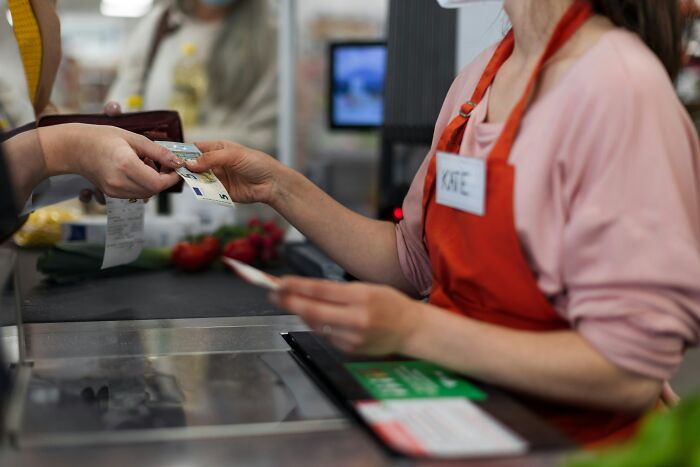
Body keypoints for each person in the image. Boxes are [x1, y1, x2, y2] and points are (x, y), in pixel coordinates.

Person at [185, 0, 700, 446]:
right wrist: (278, 186)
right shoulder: (479, 81)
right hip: (468, 421)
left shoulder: (619, 87)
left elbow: (627, 372)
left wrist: (414, 329)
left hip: (573, 447)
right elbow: (412, 261)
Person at [108, 0, 277, 153]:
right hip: (150, 172)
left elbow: (265, 137)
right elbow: (124, 98)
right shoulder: (160, 23)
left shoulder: (270, 39)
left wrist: (173, 139)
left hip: (227, 179)